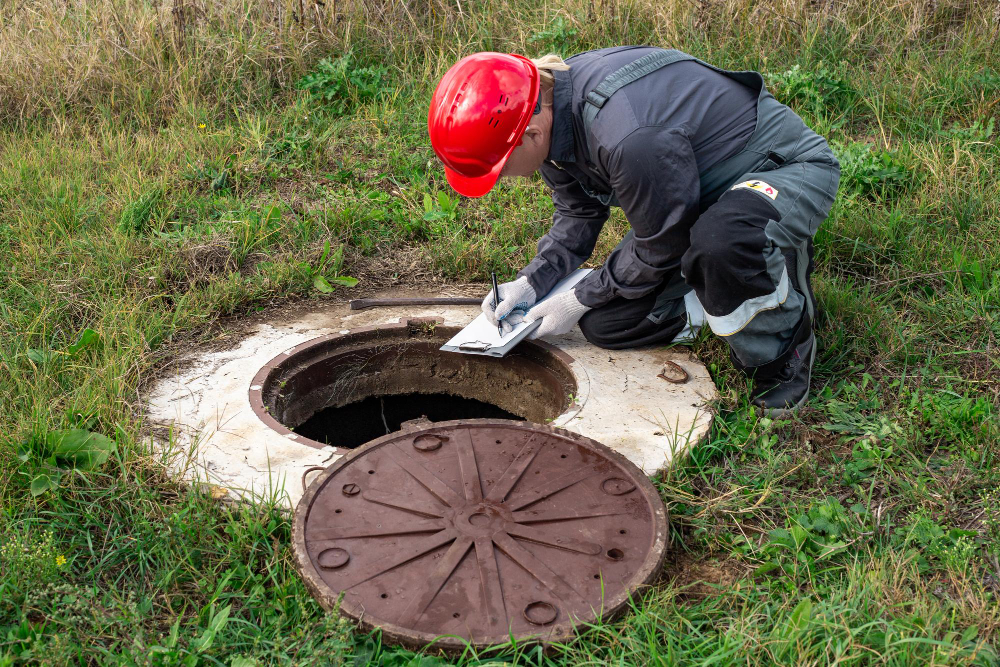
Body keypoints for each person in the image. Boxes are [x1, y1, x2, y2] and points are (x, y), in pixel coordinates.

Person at [427, 47, 840, 415]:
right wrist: (532, 283)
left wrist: (577, 297)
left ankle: (784, 341)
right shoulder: (550, 113)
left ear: (530, 135)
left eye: (498, 169)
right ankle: (731, 282)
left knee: (722, 244)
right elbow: (578, 213)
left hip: (778, 169)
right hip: (691, 193)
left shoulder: (627, 135)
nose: (501, 180)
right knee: (608, 325)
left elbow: (661, 244)